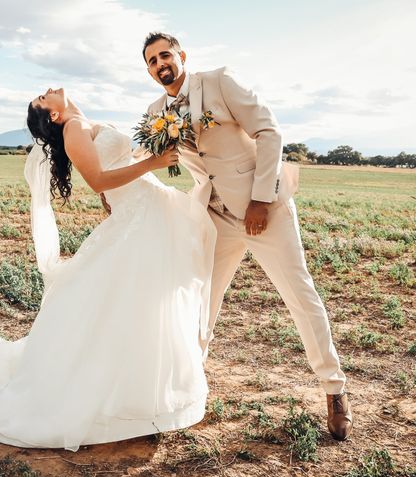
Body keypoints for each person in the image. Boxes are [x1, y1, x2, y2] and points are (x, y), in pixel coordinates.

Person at [0, 87, 217, 451]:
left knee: (149, 300)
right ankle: (129, 396)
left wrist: (151, 150)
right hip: (139, 217)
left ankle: (147, 390)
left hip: (148, 207)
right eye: (42, 98)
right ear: (52, 115)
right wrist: (151, 164)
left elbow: (107, 172)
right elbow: (97, 178)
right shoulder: (72, 128)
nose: (46, 91)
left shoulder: (84, 123)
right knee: (134, 300)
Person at [125, 32, 352, 440]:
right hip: (213, 216)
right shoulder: (155, 111)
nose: (161, 64)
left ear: (181, 56)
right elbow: (140, 157)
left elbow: (270, 131)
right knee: (199, 304)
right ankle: (185, 393)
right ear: (147, 70)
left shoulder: (219, 82)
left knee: (300, 297)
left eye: (166, 55)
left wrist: (261, 199)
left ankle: (334, 390)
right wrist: (116, 188)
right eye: (152, 60)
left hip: (265, 210)